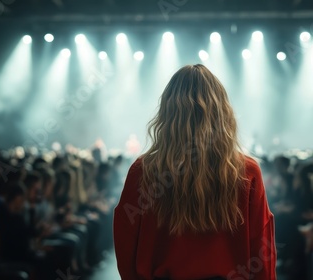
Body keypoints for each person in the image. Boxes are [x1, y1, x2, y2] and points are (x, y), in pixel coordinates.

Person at [113, 64, 277, 279]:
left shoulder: (144, 170)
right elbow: (262, 245)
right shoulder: (246, 171)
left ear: (167, 112)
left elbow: (126, 242)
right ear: (221, 112)